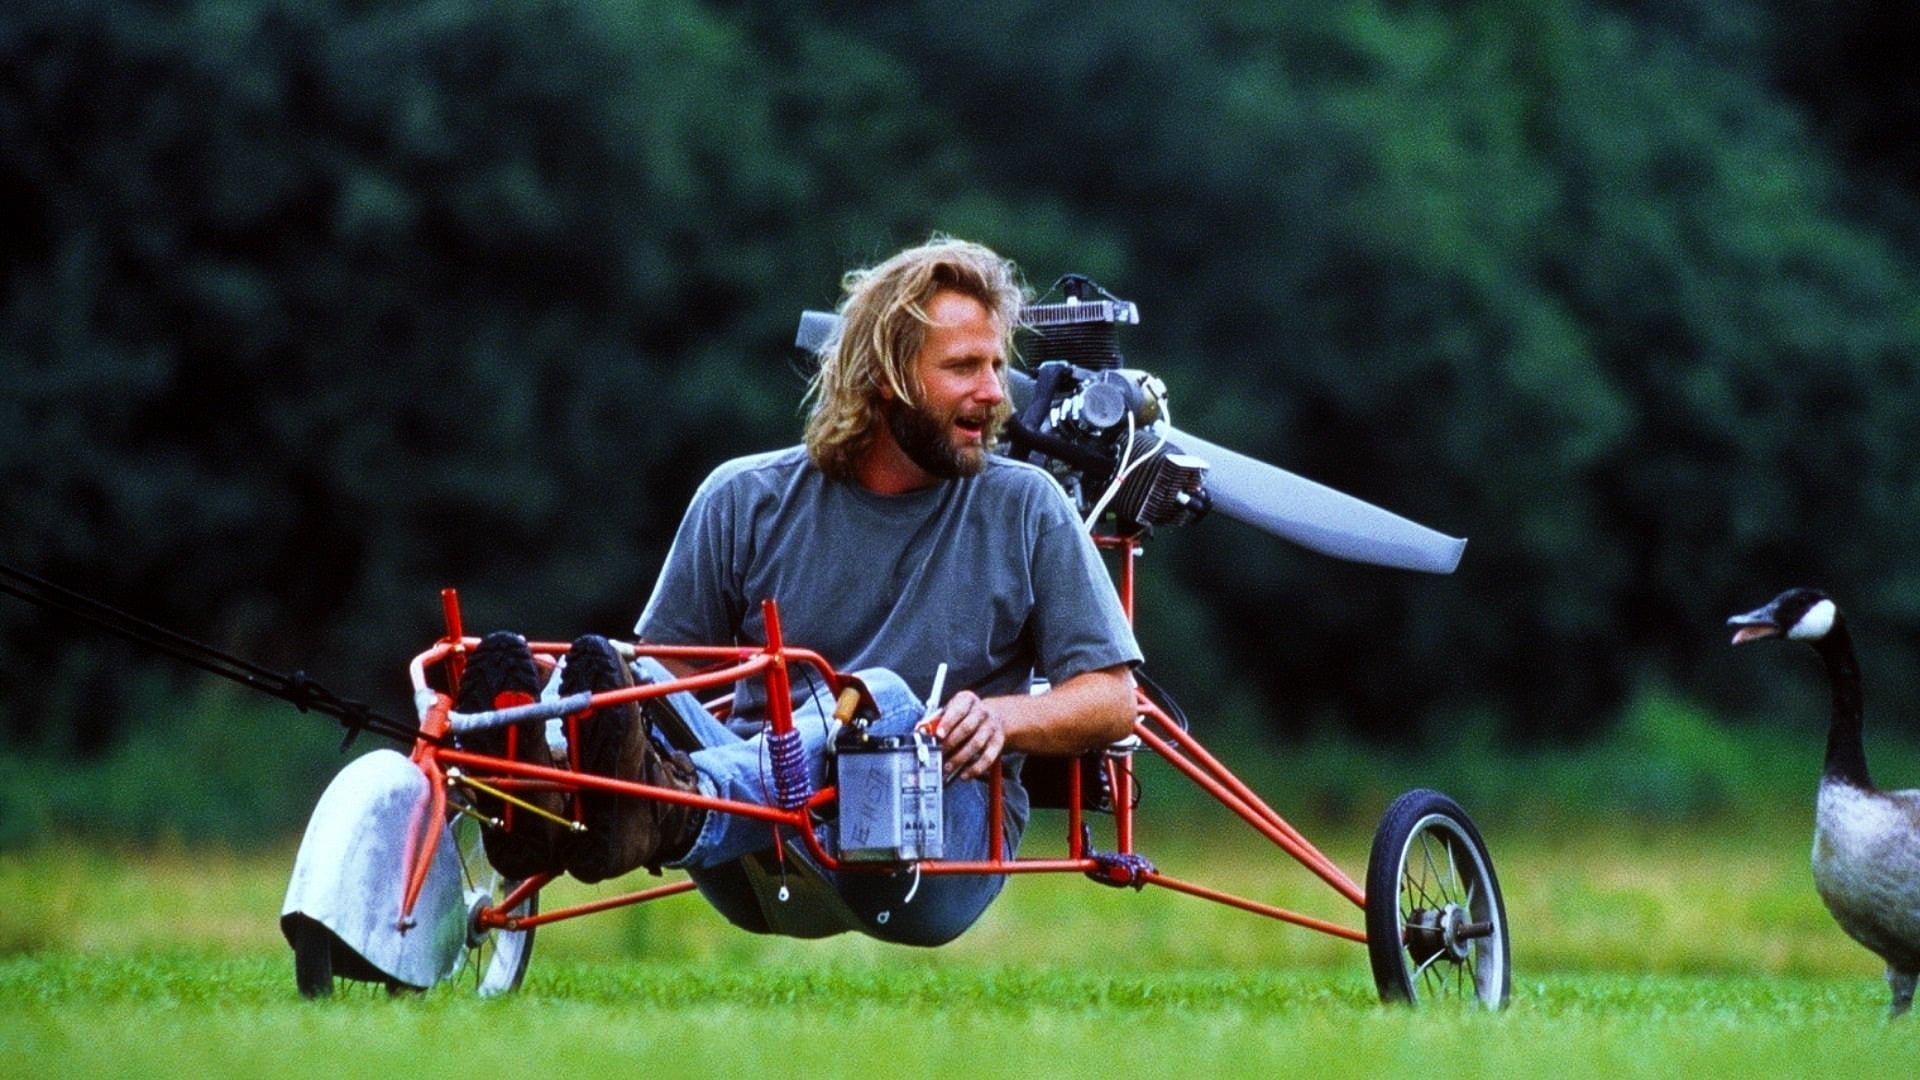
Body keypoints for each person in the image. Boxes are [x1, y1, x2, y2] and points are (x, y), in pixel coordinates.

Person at [459, 236, 1141, 945]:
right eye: (964, 367)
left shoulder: (1025, 506)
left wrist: (1002, 719)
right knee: (632, 675)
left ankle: (681, 808)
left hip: (932, 849)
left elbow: (1114, 698)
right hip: (761, 855)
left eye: (997, 366)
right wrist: (583, 711)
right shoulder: (742, 497)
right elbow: (674, 685)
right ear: (887, 378)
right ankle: (541, 791)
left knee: (883, 698)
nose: (997, 392)